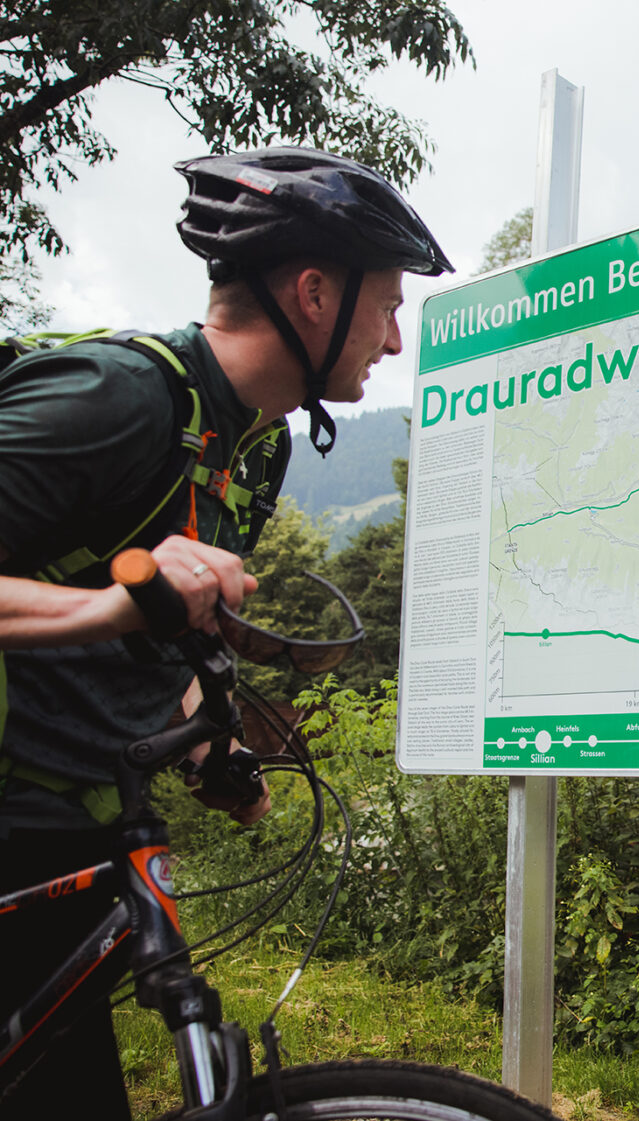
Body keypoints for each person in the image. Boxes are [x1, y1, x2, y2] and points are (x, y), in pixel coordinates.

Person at [0, 146, 452, 1118]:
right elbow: (120, 602)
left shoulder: (250, 444)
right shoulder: (117, 398)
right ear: (315, 291)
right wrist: (111, 603)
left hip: (73, 829)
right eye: (389, 304)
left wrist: (217, 740)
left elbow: (161, 636)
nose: (396, 340)